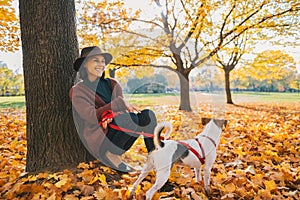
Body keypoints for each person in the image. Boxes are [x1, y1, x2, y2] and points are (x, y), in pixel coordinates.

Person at [69, 46, 157, 172]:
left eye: (102, 61)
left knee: (147, 115)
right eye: (95, 60)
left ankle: (154, 158)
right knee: (128, 118)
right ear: (84, 64)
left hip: (118, 132)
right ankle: (111, 155)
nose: (101, 64)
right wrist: (115, 107)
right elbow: (90, 115)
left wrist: (110, 114)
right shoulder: (78, 90)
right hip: (100, 137)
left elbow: (121, 110)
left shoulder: (112, 84)